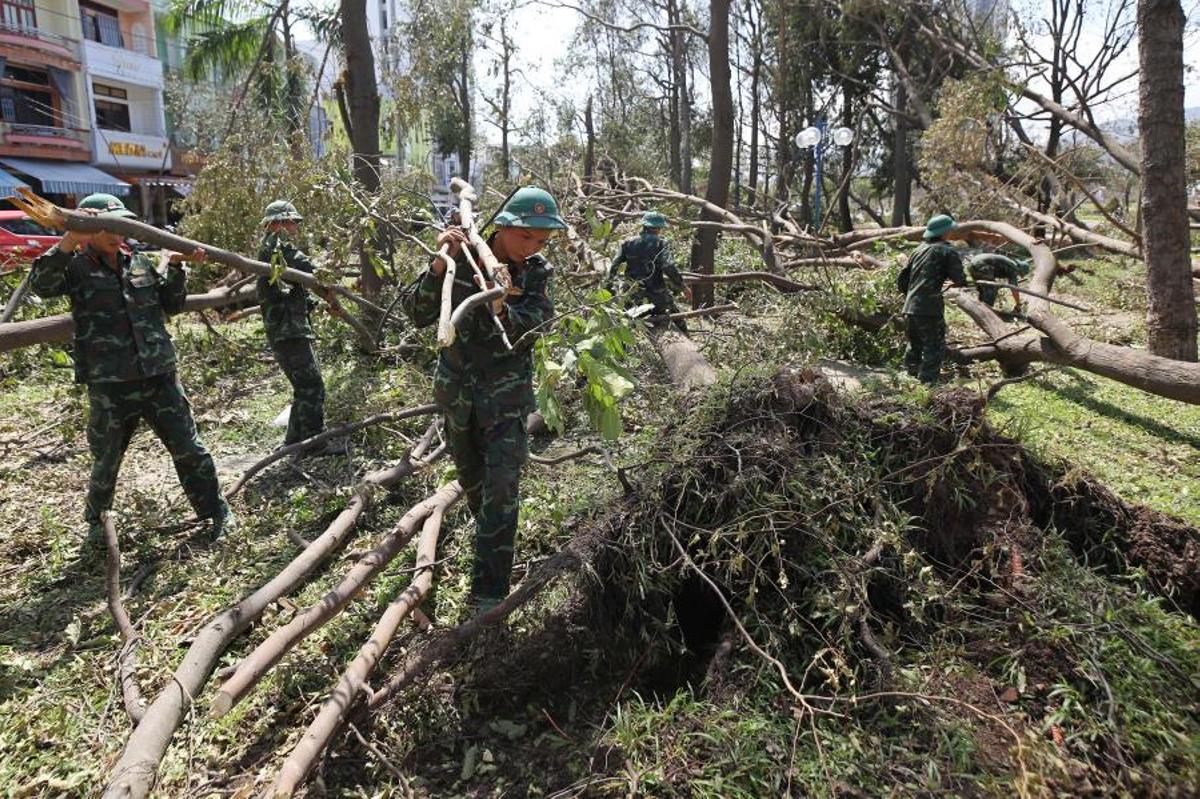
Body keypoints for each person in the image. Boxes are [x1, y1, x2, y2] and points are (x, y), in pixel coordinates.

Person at [28, 193, 232, 541]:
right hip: (111, 383)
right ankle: (96, 522)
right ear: (90, 229)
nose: (116, 233)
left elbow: (172, 304)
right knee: (107, 458)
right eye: (108, 226)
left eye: (121, 225)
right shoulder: (75, 267)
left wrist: (180, 265)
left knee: (189, 448)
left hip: (159, 377)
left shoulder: (142, 263)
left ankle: (216, 513)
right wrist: (69, 239)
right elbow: (41, 285)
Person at [400, 186, 563, 613]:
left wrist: (505, 308)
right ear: (503, 227)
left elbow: (538, 325)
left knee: (503, 485)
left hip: (506, 400)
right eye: (526, 237)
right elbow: (416, 315)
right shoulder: (461, 259)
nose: (533, 248)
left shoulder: (535, 273)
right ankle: (489, 537)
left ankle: (488, 596)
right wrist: (439, 264)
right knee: (474, 484)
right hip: (458, 395)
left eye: (542, 241)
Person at [257, 200, 339, 450]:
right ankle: (316, 443)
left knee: (303, 388)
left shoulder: (275, 250)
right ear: (277, 223)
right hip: (289, 331)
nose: (295, 226)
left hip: (289, 329)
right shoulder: (276, 247)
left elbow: (293, 292)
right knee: (313, 387)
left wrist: (320, 302)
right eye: (291, 221)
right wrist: (330, 280)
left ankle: (294, 442)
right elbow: (309, 269)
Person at [900, 213, 967, 384]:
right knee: (934, 347)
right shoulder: (947, 250)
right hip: (929, 309)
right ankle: (927, 385)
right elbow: (960, 279)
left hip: (909, 307)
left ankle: (909, 379)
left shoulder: (917, 250)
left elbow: (902, 280)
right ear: (945, 232)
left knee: (914, 345)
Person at [606, 210, 691, 333]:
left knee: (623, 324)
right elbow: (668, 266)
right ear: (658, 228)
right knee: (678, 318)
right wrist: (683, 287)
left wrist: (609, 288)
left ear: (644, 225)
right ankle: (687, 337)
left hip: (633, 297)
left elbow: (614, 265)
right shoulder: (661, 243)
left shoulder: (627, 243)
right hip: (657, 298)